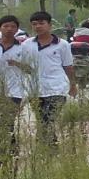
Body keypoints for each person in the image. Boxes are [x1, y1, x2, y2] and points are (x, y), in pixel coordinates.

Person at [18, 11, 77, 145]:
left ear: (49, 25)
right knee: (41, 119)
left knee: (48, 117)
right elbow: (27, 67)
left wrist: (73, 85)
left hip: (57, 88)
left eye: (41, 23)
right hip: (35, 89)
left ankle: (45, 145)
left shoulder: (62, 44)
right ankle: (50, 145)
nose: (38, 26)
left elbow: (68, 66)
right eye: (34, 24)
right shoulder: (27, 45)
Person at [0, 14, 29, 155]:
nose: (9, 29)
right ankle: (10, 146)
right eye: (6, 26)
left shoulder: (23, 48)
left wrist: (17, 63)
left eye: (13, 26)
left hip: (15, 90)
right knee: (1, 118)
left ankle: (8, 148)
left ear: (17, 29)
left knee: (8, 117)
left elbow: (31, 69)